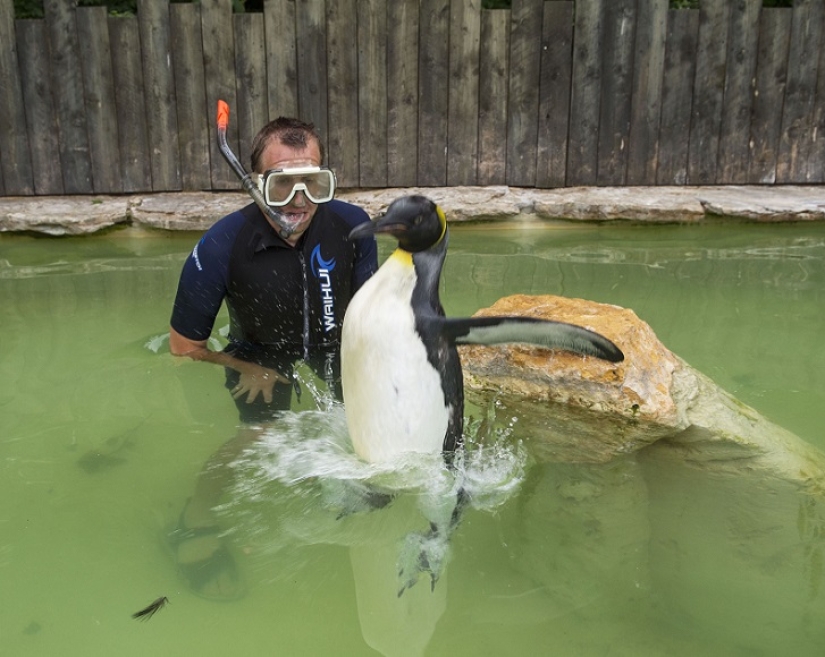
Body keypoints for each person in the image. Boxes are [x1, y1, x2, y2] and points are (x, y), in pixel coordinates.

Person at [167, 117, 378, 600]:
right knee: (259, 433)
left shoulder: (351, 225)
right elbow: (183, 348)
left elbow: (372, 317)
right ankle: (194, 516)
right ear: (257, 185)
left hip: (335, 350)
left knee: (361, 422)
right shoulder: (223, 243)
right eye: (282, 184)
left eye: (313, 183)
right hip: (258, 355)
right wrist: (248, 367)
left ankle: (325, 489)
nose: (299, 200)